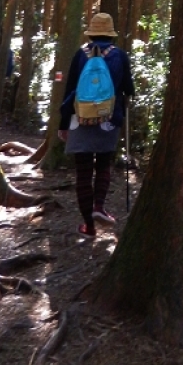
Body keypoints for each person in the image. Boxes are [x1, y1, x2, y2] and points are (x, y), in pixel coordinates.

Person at [58, 12, 134, 238]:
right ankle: (99, 206)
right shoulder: (119, 55)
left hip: (80, 117)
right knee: (103, 164)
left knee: (82, 171)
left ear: (91, 33)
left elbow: (70, 90)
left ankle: (88, 226)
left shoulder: (80, 55)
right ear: (110, 34)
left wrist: (63, 123)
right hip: (109, 118)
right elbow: (129, 88)